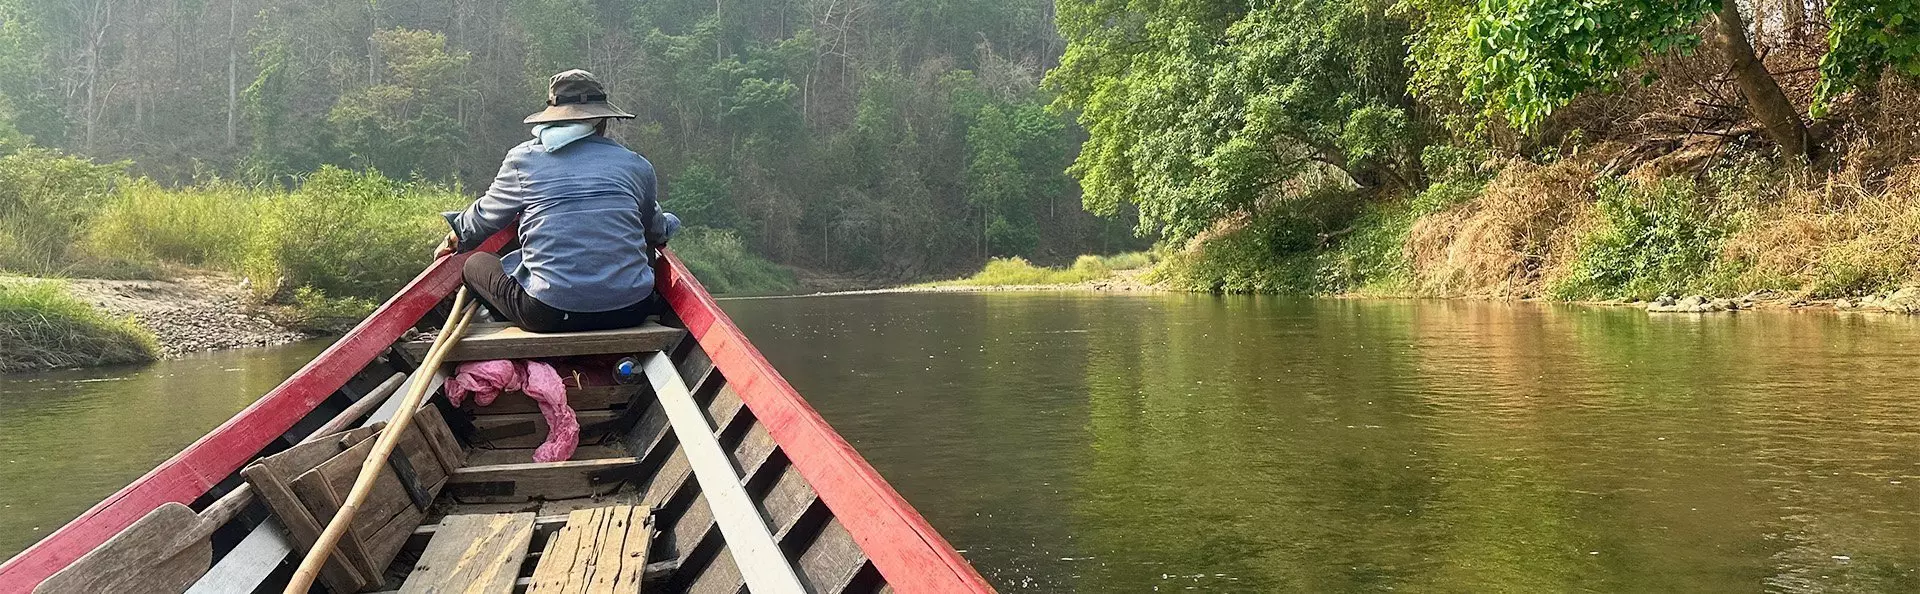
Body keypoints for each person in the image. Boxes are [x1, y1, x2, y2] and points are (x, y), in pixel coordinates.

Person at [436, 69, 679, 333]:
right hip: (632, 310)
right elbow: (654, 230)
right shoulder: (636, 165)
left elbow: (483, 218)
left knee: (474, 264)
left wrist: (454, 238)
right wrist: (670, 223)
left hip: (547, 314)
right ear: (602, 121)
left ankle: (498, 320)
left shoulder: (523, 160)